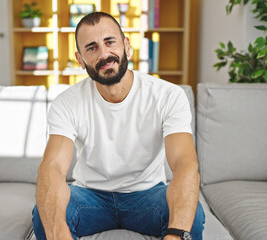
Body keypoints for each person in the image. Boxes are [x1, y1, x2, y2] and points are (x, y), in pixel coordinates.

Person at [32, 12, 205, 240]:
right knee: (44, 218)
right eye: (91, 48)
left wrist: (175, 235)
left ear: (126, 45)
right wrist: (57, 231)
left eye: (110, 42)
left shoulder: (168, 96)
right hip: (89, 197)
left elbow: (185, 164)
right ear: (80, 59)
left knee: (192, 218)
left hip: (148, 196)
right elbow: (52, 167)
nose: (104, 54)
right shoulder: (67, 103)